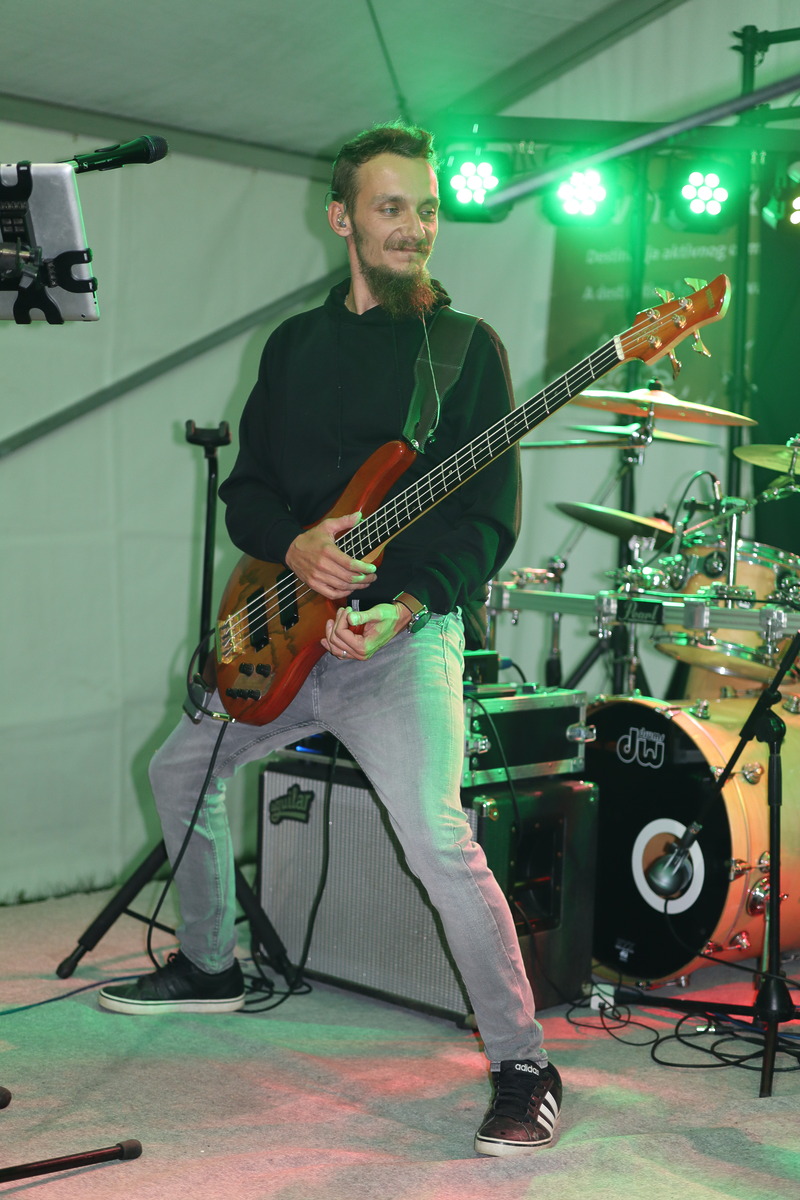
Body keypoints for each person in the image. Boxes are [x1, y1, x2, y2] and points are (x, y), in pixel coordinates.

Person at [98, 121, 561, 1156]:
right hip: (284, 632)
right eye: (392, 208)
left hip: (399, 643)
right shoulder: (292, 348)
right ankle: (210, 963)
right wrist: (296, 545)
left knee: (436, 835)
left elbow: (488, 520)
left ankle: (524, 1063)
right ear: (341, 218)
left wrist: (410, 604)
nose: (415, 228)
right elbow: (247, 494)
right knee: (179, 770)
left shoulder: (464, 349)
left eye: (427, 210)